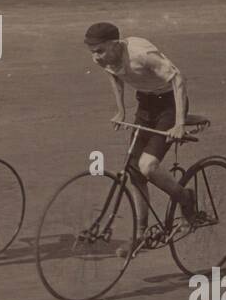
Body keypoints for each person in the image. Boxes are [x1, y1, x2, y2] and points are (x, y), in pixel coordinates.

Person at [83, 21, 200, 246]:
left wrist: (179, 123)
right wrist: (121, 110)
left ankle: (186, 198)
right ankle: (141, 233)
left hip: (169, 105)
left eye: (100, 50)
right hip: (146, 104)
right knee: (134, 172)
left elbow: (177, 78)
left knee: (147, 166)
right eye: (92, 52)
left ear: (116, 44)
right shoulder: (103, 59)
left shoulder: (141, 54)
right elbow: (113, 75)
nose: (96, 57)